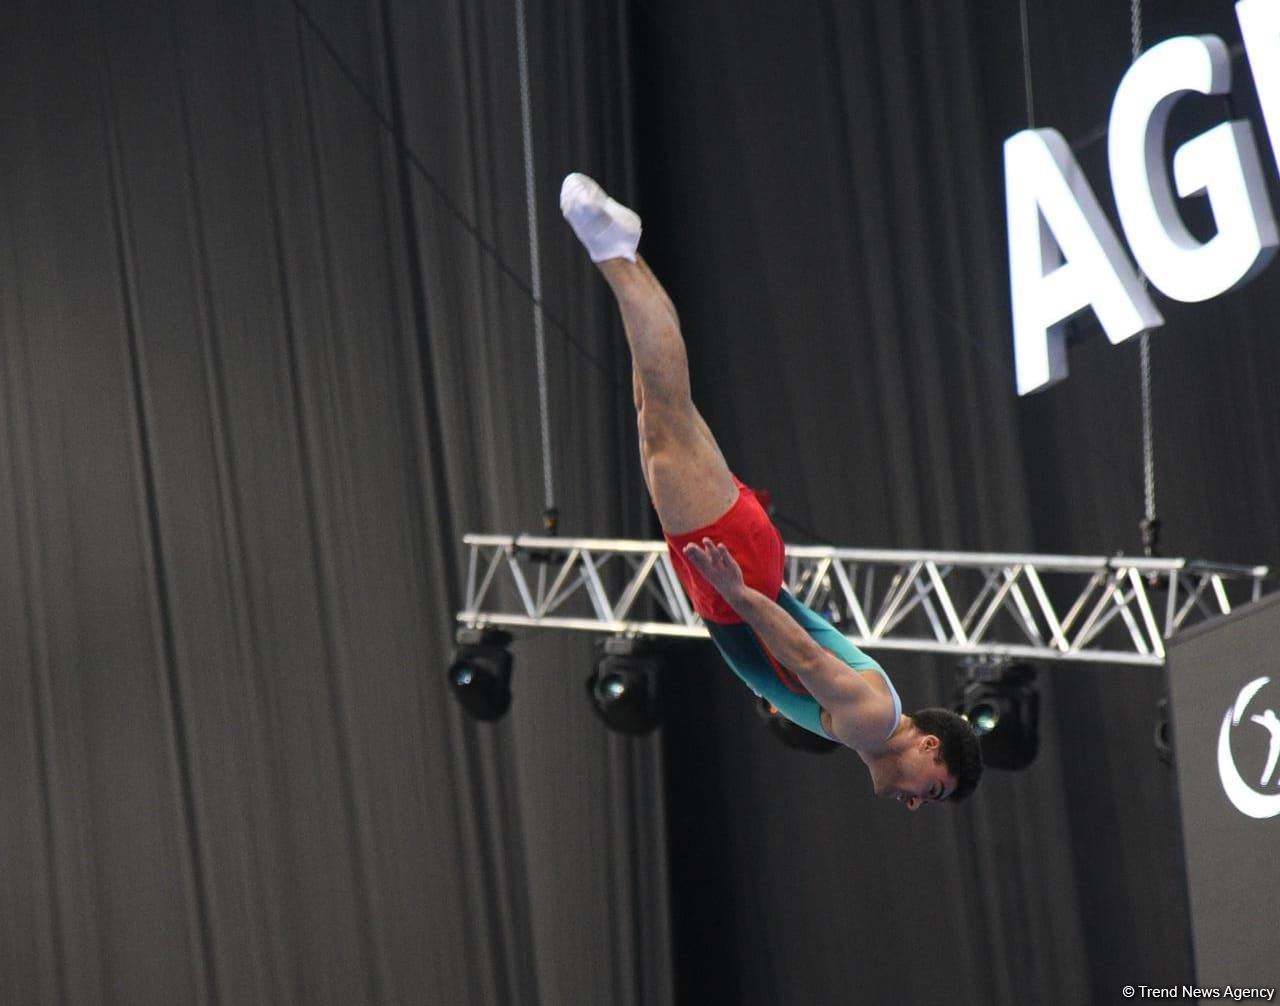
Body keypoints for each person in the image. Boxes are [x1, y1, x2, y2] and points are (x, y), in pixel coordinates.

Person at [560, 172, 983, 809]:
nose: (917, 802)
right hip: (740, 583)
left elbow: (797, 671)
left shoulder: (867, 724)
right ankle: (612, 251)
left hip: (742, 586)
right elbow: (807, 659)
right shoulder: (873, 721)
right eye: (935, 790)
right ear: (928, 748)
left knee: (659, 408)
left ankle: (624, 254)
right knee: (665, 414)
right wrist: (737, 592)